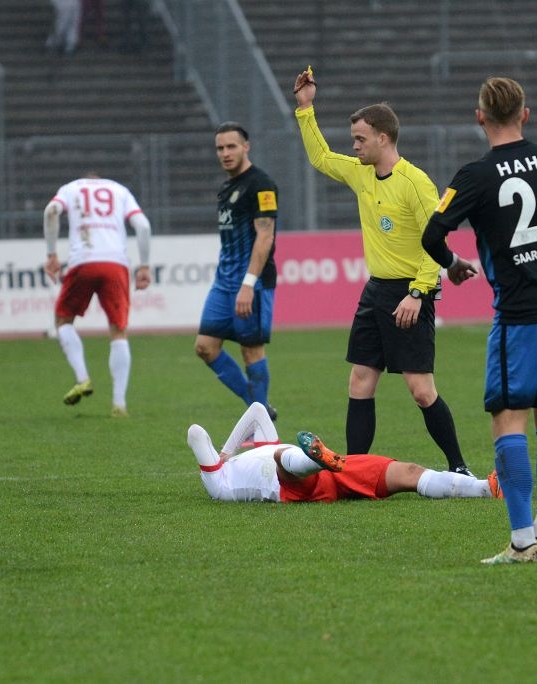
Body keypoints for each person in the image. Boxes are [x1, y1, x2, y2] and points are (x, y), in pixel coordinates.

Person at [421, 77, 537, 565]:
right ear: (526, 113)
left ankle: (522, 542)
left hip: (520, 314)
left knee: (507, 417)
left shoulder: (476, 175)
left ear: (480, 117)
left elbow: (432, 234)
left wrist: (454, 265)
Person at [291, 68, 472, 476]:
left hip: (411, 293)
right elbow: (320, 157)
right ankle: (354, 470)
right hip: (375, 292)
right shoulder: (360, 173)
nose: (354, 146)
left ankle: (459, 467)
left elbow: (435, 241)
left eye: (360, 139)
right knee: (360, 381)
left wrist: (419, 291)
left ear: (383, 138)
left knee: (421, 390)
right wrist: (305, 108)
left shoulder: (416, 182)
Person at [189, 403, 501, 504]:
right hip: (289, 484)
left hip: (331, 468)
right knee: (282, 461)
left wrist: (224, 453)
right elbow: (195, 433)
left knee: (408, 472)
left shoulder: (221, 475)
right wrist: (222, 457)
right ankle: (311, 458)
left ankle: (486, 488)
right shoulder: (220, 487)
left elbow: (257, 411)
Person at [43, 173, 152, 417]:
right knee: (118, 330)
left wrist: (51, 254)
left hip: (83, 260)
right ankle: (119, 404)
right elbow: (143, 225)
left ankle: (83, 378)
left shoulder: (70, 188)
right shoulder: (119, 190)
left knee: (63, 321)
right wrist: (144, 265)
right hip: (116, 263)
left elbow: (51, 211)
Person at [195, 121, 278, 420]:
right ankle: (259, 410)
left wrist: (248, 283)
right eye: (220, 148)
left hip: (250, 282)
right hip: (224, 281)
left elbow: (265, 236)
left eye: (232, 146)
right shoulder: (227, 187)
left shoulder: (261, 184)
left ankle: (261, 427)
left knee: (250, 351)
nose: (225, 153)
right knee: (205, 347)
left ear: (246, 147)